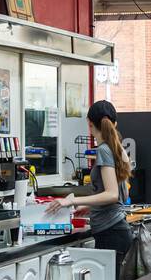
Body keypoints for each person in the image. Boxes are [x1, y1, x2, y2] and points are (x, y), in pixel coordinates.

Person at [48, 100, 132, 257]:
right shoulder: (118, 149)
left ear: (90, 123)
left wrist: (72, 201)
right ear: (115, 123)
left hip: (111, 233)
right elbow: (123, 195)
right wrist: (93, 207)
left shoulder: (104, 151)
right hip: (117, 231)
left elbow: (112, 195)